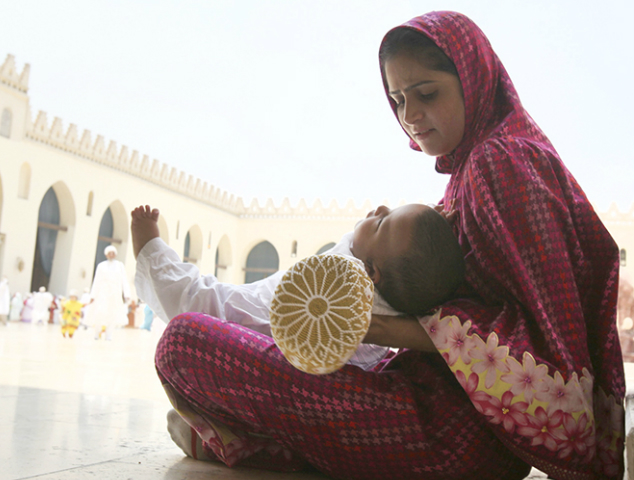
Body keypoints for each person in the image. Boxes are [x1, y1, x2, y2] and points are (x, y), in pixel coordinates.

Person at [151, 12, 625, 480]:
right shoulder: (480, 164)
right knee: (258, 350)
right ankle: (255, 446)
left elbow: (545, 339)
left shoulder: (499, 164)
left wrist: (372, 328)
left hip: (448, 437)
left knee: (185, 342)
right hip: (456, 428)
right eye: (398, 99)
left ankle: (247, 444)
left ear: (474, 80)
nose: (410, 116)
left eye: (427, 94)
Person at [134, 202, 463, 371]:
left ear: (371, 272)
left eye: (381, 222)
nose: (378, 209)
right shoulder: (396, 298)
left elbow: (352, 251)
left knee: (207, 302)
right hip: (311, 357)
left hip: (269, 319)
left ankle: (153, 254)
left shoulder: (345, 277)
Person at [86, 245, 130, 340]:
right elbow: (96, 281)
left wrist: (127, 294)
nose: (111, 255)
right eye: (109, 253)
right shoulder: (101, 265)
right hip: (103, 293)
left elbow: (124, 280)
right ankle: (97, 333)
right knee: (99, 313)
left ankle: (109, 334)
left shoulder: (120, 265)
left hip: (115, 294)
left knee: (113, 314)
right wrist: (93, 295)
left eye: (113, 253)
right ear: (106, 254)